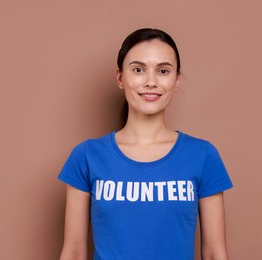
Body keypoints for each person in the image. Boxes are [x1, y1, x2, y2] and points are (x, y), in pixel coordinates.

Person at [58, 28, 233, 260]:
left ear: (177, 79)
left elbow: (214, 253)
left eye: (163, 71)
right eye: (138, 70)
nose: (151, 82)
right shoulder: (87, 156)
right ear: (120, 77)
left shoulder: (203, 155)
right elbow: (74, 252)